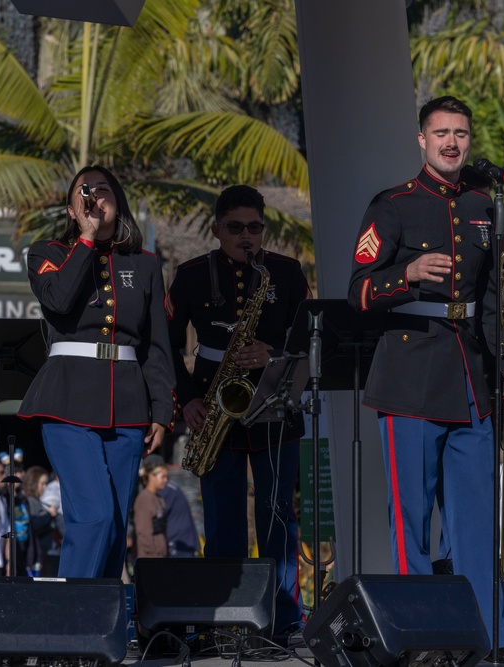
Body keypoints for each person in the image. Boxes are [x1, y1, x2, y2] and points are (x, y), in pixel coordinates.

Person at [347, 95, 504, 663]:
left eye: (461, 134)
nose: (452, 143)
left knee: (479, 524)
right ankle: (420, 639)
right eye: (441, 133)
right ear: (421, 140)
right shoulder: (393, 205)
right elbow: (357, 289)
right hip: (409, 377)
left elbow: (498, 302)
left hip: (472, 377)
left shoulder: (485, 206)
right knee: (410, 523)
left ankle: (485, 642)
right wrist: (403, 274)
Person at [17, 165, 175, 579]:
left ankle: (99, 633)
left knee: (115, 526)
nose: (95, 198)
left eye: (104, 191)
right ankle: (71, 625)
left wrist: (162, 410)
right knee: (95, 517)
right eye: (85, 192)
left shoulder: (144, 264)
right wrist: (86, 240)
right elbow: (59, 299)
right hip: (66, 400)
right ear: (71, 209)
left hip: (127, 406)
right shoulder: (46, 254)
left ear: (118, 203)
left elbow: (156, 345)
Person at [167, 184, 309, 639]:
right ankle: (223, 621)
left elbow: (308, 340)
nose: (246, 237)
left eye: (254, 228)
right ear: (216, 230)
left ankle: (285, 619)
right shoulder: (190, 274)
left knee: (277, 518)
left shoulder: (286, 272)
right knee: (222, 520)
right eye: (235, 228)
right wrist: (186, 399)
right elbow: (166, 347)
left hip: (274, 407)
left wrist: (274, 352)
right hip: (213, 410)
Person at [142, 454, 200, 558]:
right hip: (183, 542)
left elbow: (154, 519)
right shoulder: (170, 487)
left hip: (178, 544)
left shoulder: (163, 490)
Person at [23, 466, 58, 576]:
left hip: (45, 553)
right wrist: (49, 515)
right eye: (42, 483)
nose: (45, 487)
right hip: (38, 556)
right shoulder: (29, 502)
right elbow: (33, 525)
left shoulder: (37, 501)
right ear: (33, 483)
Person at [133, 460, 169, 559]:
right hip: (150, 557)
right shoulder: (145, 499)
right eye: (163, 477)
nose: (166, 480)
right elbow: (144, 533)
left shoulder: (158, 498)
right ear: (151, 476)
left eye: (167, 477)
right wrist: (154, 554)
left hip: (160, 555)